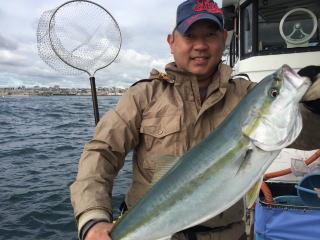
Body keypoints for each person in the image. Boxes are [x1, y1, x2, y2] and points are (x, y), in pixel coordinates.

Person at [70, 0, 320, 239]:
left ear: (224, 39)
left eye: (210, 35)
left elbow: (308, 136)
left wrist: (312, 106)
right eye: (190, 36)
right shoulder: (143, 95)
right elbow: (102, 151)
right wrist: (92, 216)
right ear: (172, 42)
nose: (200, 45)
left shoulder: (246, 94)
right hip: (147, 231)